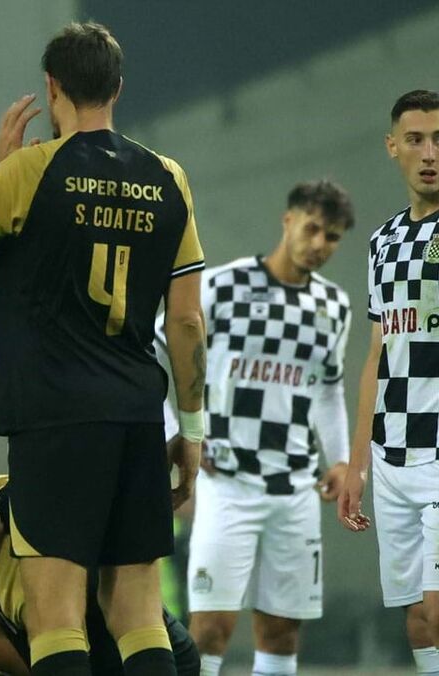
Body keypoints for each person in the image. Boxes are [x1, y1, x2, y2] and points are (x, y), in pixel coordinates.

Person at [0, 22, 206, 676]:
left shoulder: (28, 172)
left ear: (52, 87)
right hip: (137, 416)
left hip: (53, 419)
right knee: (138, 613)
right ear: (118, 88)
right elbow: (187, 322)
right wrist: (191, 430)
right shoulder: (168, 179)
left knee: (55, 618)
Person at [156, 180, 355, 676]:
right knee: (209, 630)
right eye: (312, 228)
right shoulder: (222, 287)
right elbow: (154, 351)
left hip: (295, 489)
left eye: (332, 237)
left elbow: (328, 389)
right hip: (227, 484)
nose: (319, 244)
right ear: (288, 221)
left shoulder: (334, 306)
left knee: (282, 631)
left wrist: (340, 458)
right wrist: (175, 432)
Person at [0, 461, 201, 676]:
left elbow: (71, 659)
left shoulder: (29, 592)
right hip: (157, 637)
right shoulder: (1, 491)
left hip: (146, 662)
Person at [339, 89, 439, 676]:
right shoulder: (383, 242)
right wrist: (358, 463)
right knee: (417, 616)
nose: (430, 153)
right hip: (392, 454)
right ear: (392, 147)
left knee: (438, 606)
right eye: (416, 139)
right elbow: (378, 353)